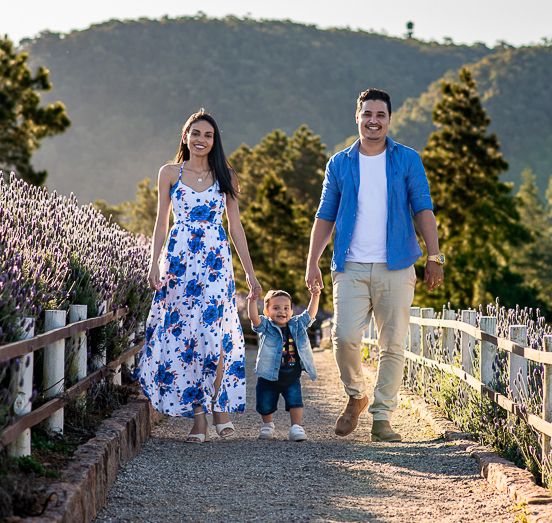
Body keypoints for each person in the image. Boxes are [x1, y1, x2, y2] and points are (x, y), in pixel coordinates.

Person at [305, 89, 442, 442]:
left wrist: (434, 255)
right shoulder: (340, 163)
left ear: (389, 119)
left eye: (380, 114)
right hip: (348, 265)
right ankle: (356, 396)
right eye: (367, 113)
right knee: (344, 337)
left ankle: (382, 417)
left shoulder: (407, 160)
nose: (373, 120)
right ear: (357, 117)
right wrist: (312, 262)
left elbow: (423, 207)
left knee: (392, 344)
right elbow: (325, 214)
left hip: (396, 266)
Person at [138, 110, 261, 443]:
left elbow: (235, 227)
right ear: (185, 136)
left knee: (214, 336)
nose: (201, 140)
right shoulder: (169, 173)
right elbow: (161, 222)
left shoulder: (227, 176)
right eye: (195, 133)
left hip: (215, 264)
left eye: (207, 135)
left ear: (214, 140)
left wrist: (250, 274)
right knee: (186, 340)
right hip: (178, 263)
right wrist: (153, 263)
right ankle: (199, 419)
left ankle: (218, 406)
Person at [248, 285, 321, 441]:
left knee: (296, 402)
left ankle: (296, 427)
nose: (282, 311)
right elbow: (254, 318)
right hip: (268, 376)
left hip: (291, 375)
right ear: (266, 312)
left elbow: (310, 314)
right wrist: (253, 301)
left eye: (286, 308)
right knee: (265, 403)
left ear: (292, 311)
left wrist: (315, 296)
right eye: (276, 308)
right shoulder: (266, 326)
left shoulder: (296, 324)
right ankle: (268, 425)